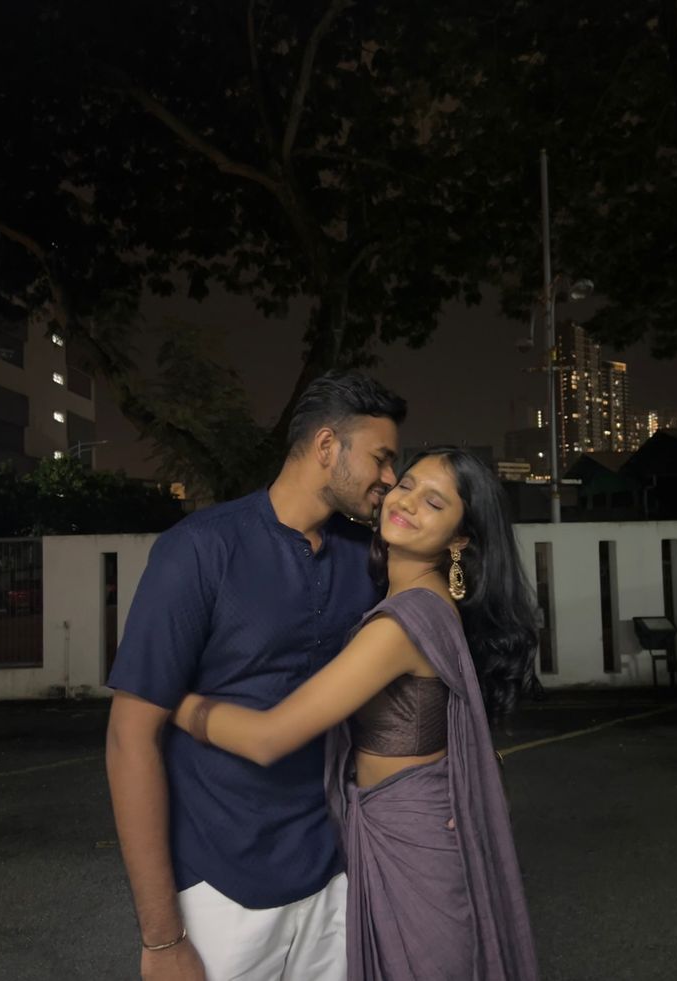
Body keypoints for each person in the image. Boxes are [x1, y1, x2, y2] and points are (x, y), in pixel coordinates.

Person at [173, 447, 540, 980]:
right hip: (409, 823)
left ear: (460, 539)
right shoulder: (429, 600)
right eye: (407, 484)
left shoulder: (402, 623)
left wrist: (171, 702)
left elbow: (270, 737)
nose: (407, 502)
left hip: (413, 841)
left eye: (434, 502)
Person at [105, 371, 407, 981]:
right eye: (381, 458)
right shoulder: (198, 550)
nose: (390, 479)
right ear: (327, 448)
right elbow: (128, 738)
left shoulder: (367, 558)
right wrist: (162, 941)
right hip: (220, 888)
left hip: (334, 877)